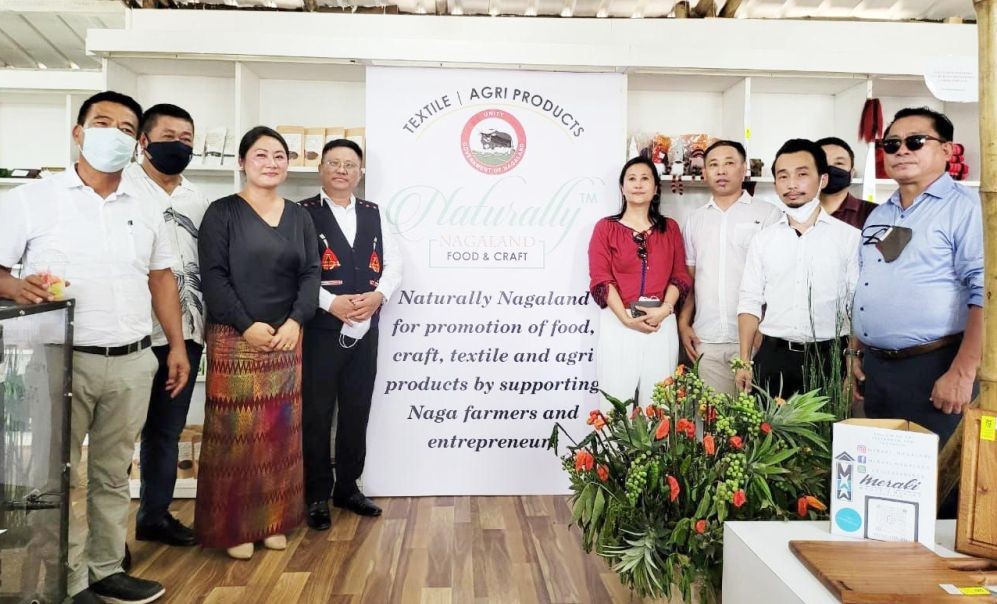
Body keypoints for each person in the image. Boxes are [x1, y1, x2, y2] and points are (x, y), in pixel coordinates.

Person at [0, 90, 188, 604]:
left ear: (137, 143)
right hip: (61, 361)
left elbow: (161, 278)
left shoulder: (147, 205)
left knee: (112, 474)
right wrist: (14, 286)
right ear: (79, 133)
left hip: (131, 359)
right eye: (103, 123)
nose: (114, 135)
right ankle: (66, 578)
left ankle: (105, 569)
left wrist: (175, 345)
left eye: (126, 129)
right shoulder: (34, 198)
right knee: (57, 478)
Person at [195, 126, 320, 559]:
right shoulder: (222, 212)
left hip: (286, 339)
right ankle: (235, 527)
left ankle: (274, 521)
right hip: (235, 339)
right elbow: (213, 276)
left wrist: (296, 321)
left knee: (279, 434)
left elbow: (311, 273)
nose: (271, 163)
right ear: (242, 161)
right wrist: (246, 325)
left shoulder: (300, 217)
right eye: (261, 155)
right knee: (236, 436)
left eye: (279, 155)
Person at [851, 107, 983, 446]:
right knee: (883, 472)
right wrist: (856, 353)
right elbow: (869, 284)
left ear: (947, 150)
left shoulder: (966, 209)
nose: (901, 151)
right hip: (877, 370)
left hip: (936, 367)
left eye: (916, 141)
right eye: (892, 144)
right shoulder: (880, 214)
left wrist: (963, 371)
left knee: (938, 473)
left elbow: (986, 294)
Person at [300, 139, 402, 530]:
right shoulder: (302, 213)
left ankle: (348, 488)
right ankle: (316, 495)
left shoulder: (375, 213)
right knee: (317, 414)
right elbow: (296, 270)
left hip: (365, 331)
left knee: (356, 410)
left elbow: (394, 264)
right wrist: (330, 303)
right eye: (334, 163)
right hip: (321, 331)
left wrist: (379, 296)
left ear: (360, 172)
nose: (342, 170)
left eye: (350, 164)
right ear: (321, 169)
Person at [123, 103, 208, 548]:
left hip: (187, 333)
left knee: (166, 431)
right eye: (168, 137)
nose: (178, 146)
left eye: (186, 139)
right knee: (118, 437)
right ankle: (107, 542)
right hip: (133, 331)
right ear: (144, 141)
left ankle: (154, 516)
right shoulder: (123, 189)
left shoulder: (198, 199)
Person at [735, 139, 859, 398]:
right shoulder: (763, 240)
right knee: (766, 425)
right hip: (773, 357)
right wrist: (744, 360)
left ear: (823, 179)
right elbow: (749, 301)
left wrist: (851, 362)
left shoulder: (849, 238)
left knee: (829, 425)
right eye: (783, 176)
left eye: (802, 174)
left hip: (829, 358)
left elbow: (857, 305)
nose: (791, 184)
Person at [678, 140, 781, 395]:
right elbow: (691, 279)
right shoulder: (695, 220)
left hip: (755, 338)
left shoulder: (769, 215)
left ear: (744, 169)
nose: (721, 170)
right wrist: (684, 322)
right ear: (704, 172)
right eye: (713, 164)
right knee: (712, 416)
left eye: (729, 163)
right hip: (706, 338)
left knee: (756, 415)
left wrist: (766, 327)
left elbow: (779, 280)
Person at [588, 156, 692, 407]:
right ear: (622, 188)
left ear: (656, 188)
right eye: (631, 178)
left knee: (659, 405)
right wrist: (626, 320)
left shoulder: (670, 228)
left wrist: (665, 310)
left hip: (661, 322)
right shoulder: (605, 228)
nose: (638, 184)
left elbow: (680, 275)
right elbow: (601, 278)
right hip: (619, 321)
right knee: (615, 406)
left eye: (645, 178)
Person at [816, 136, 878, 229]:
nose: (830, 169)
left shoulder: (875, 213)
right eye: (822, 163)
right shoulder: (795, 212)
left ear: (852, 174)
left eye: (839, 163)